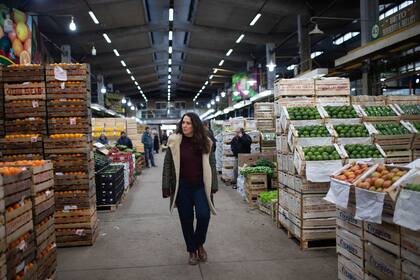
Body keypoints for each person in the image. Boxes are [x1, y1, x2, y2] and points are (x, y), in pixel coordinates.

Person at [162, 112, 218, 265]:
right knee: (186, 220)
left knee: (203, 215)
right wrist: (166, 185)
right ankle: (192, 250)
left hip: (201, 186)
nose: (184, 126)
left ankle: (199, 243)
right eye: (183, 123)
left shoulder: (205, 141)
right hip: (182, 187)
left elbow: (212, 163)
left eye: (188, 123)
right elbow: (168, 164)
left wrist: (214, 185)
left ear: (195, 125)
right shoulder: (174, 141)